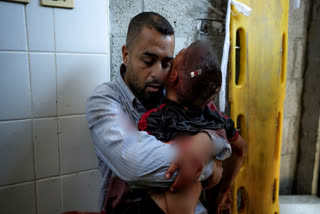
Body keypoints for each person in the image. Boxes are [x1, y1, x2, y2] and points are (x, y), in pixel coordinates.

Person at [86, 12, 245, 214]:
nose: (158, 73)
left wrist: (206, 139)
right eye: (148, 60)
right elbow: (134, 165)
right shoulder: (105, 100)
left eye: (166, 63)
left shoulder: (179, 91)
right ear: (126, 55)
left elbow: (223, 134)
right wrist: (210, 166)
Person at [138, 40, 246, 214]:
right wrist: (224, 191)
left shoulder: (153, 120)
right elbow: (240, 149)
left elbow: (148, 161)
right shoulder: (218, 120)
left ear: (173, 77)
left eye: (183, 52)